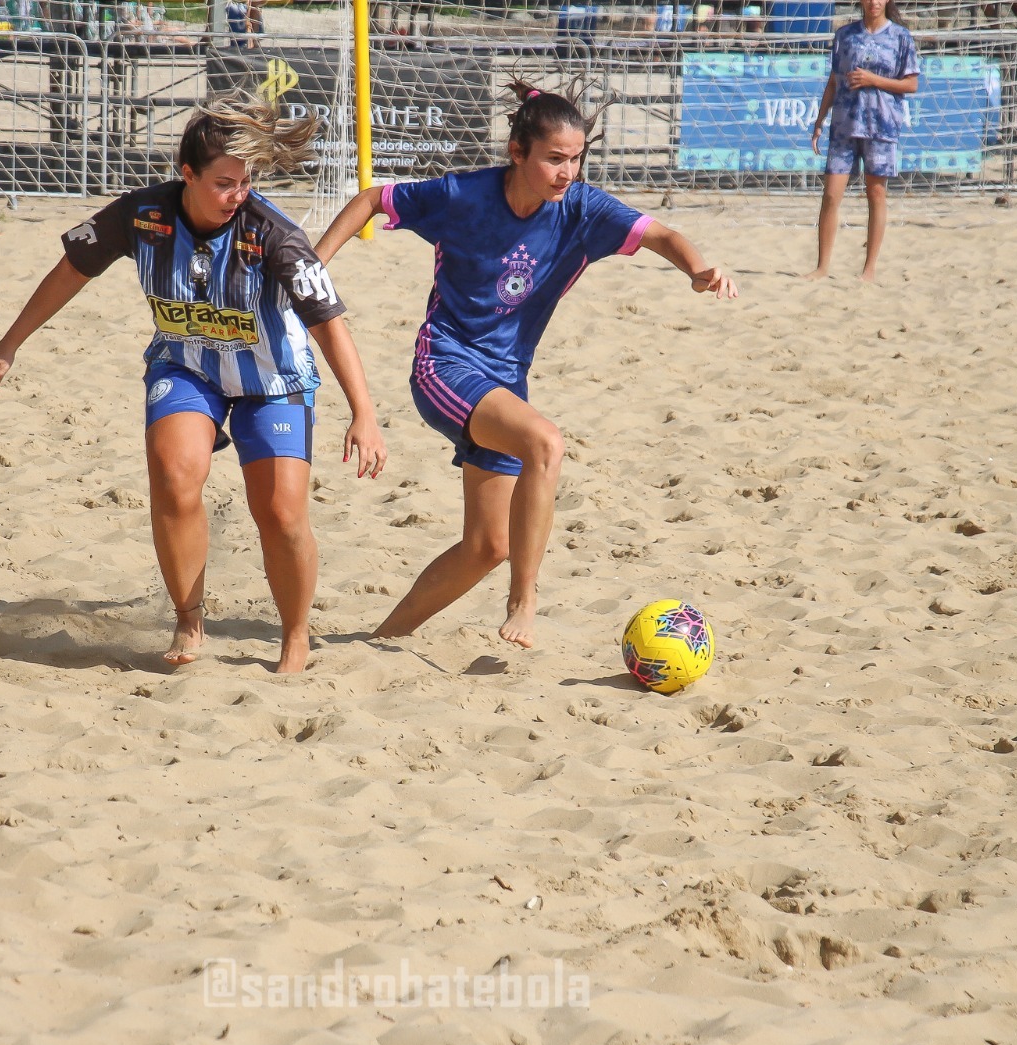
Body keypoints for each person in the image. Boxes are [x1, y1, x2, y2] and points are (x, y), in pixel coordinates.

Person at [0, 94, 387, 674]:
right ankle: (189, 618)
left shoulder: (273, 233)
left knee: (281, 513)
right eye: (223, 183)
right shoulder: (141, 214)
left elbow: (329, 325)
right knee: (172, 473)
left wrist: (363, 412)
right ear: (186, 174)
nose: (236, 195)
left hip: (272, 377)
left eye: (244, 182)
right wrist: (9, 343)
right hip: (187, 364)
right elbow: (71, 271)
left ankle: (294, 635)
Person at [314, 80, 737, 650]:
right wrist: (314, 266)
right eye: (555, 159)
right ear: (518, 153)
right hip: (445, 364)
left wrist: (697, 269)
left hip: (506, 379)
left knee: (488, 545)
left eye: (577, 159)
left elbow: (661, 233)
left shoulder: (584, 211)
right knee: (546, 444)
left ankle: (376, 641)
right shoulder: (462, 196)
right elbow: (372, 199)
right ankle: (524, 599)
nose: (568, 172)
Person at [806, 0, 920, 282]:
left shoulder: (900, 37)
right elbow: (834, 81)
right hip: (845, 124)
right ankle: (822, 267)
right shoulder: (845, 35)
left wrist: (873, 79)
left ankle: (869, 270)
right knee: (831, 194)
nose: (874, 3)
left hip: (881, 125)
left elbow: (911, 84)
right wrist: (820, 120)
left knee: (876, 194)